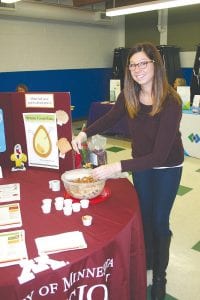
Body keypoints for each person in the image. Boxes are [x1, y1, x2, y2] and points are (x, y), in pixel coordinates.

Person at [72, 42, 184, 300]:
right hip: (141, 165)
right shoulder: (128, 95)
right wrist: (85, 132)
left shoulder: (171, 101)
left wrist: (117, 167)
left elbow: (159, 155)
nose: (137, 69)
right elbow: (109, 118)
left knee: (158, 221)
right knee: (144, 216)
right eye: (133, 64)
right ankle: (148, 261)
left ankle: (159, 276)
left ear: (155, 64)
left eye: (143, 63)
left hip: (167, 166)